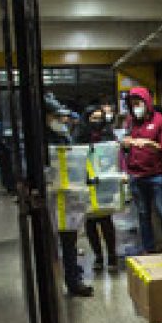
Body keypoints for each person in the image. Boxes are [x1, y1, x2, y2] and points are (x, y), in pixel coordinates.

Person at [45, 94, 93, 297]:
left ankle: (74, 281)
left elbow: (75, 159)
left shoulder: (64, 134)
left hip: (69, 195)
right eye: (55, 116)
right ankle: (52, 282)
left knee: (70, 240)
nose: (61, 120)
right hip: (51, 196)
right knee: (51, 242)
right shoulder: (38, 139)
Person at [121, 86, 162, 254]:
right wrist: (126, 144)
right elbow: (124, 147)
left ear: (146, 102)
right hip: (136, 175)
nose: (135, 107)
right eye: (132, 104)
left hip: (155, 175)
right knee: (143, 213)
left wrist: (149, 144)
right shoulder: (130, 121)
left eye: (138, 103)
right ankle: (148, 247)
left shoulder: (161, 121)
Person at [74, 104, 119, 274]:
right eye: (94, 118)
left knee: (106, 221)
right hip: (86, 183)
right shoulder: (79, 135)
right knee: (91, 222)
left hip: (104, 183)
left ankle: (112, 256)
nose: (97, 121)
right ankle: (98, 257)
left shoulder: (108, 134)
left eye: (100, 118)